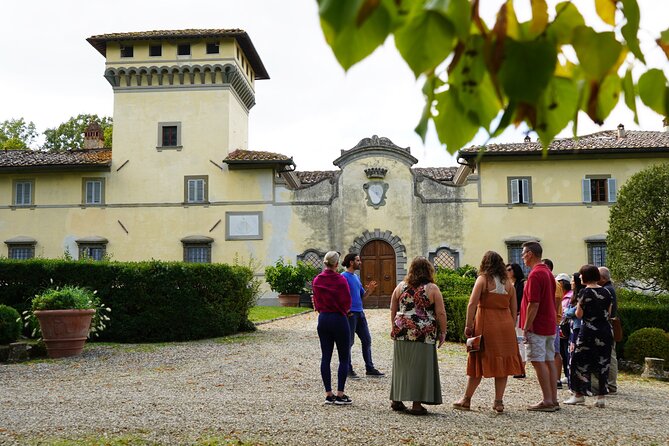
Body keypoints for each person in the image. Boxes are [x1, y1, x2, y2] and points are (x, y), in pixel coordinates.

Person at [453, 251, 523, 413]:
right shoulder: (508, 283)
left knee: (478, 361)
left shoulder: (483, 279)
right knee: (503, 364)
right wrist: (509, 326)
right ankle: (498, 402)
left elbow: (472, 304)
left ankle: (466, 399)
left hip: (486, 323)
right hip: (505, 324)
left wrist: (468, 324)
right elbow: (514, 308)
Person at [389, 257, 447, 415]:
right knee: (420, 367)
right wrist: (443, 332)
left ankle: (397, 399)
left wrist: (394, 326)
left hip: (401, 329)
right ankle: (416, 404)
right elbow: (440, 312)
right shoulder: (432, 288)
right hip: (423, 331)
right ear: (428, 270)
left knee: (402, 366)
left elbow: (393, 309)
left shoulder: (400, 286)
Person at [564, 265, 613, 408]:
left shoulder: (584, 292)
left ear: (585, 276)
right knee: (603, 362)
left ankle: (579, 394)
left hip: (588, 331)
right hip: (604, 330)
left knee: (580, 361)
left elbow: (579, 314)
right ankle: (601, 397)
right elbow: (609, 312)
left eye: (581, 275)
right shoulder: (606, 291)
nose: (579, 277)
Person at [520, 241, 558, 412]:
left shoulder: (535, 275)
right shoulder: (547, 272)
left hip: (538, 324)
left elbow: (533, 303)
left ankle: (547, 400)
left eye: (523, 254)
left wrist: (527, 326)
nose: (522, 257)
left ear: (529, 254)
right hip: (549, 323)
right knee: (549, 360)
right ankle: (553, 398)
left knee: (537, 360)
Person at [312, 251, 353, 405]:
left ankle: (328, 394)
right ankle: (340, 394)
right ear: (336, 264)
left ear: (325, 263)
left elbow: (315, 300)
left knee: (326, 357)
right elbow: (346, 302)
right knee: (343, 357)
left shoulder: (317, 280)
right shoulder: (341, 280)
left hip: (323, 319)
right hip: (338, 318)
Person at [340, 253, 384, 378]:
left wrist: (370, 291)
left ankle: (369, 368)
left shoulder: (356, 277)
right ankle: (348, 369)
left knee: (367, 340)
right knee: (349, 342)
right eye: (358, 260)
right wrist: (346, 310)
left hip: (360, 313)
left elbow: (362, 296)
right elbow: (340, 295)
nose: (360, 262)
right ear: (351, 262)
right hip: (350, 314)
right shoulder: (343, 277)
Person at [593, 266, 618, 395]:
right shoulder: (610, 289)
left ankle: (611, 384)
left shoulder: (606, 290)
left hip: (606, 326)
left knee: (610, 355)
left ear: (602, 278)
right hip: (609, 325)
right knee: (610, 355)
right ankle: (610, 384)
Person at [506, 263, 526, 378]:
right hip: (511, 316)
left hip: (519, 316)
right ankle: (518, 367)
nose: (507, 272)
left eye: (509, 270)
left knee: (520, 342)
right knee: (515, 342)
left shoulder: (522, 284)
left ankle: (521, 369)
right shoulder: (510, 284)